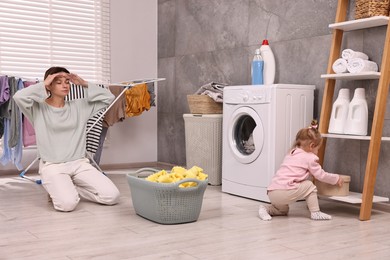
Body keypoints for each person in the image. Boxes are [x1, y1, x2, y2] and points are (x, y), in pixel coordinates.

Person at [13, 66, 120, 212]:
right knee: (67, 205)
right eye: (58, 82)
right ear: (49, 85)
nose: (65, 85)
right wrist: (45, 83)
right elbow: (18, 97)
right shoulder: (37, 108)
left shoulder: (80, 106)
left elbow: (109, 98)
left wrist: (83, 83)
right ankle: (58, 189)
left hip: (79, 163)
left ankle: (69, 187)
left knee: (112, 196)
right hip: (52, 165)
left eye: (67, 81)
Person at [258, 120, 344, 221]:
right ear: (312, 146)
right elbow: (321, 175)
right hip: (283, 192)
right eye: (317, 149)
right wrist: (336, 178)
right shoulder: (310, 157)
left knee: (283, 211)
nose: (317, 152)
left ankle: (266, 209)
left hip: (272, 192)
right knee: (310, 186)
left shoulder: (292, 153)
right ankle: (315, 212)